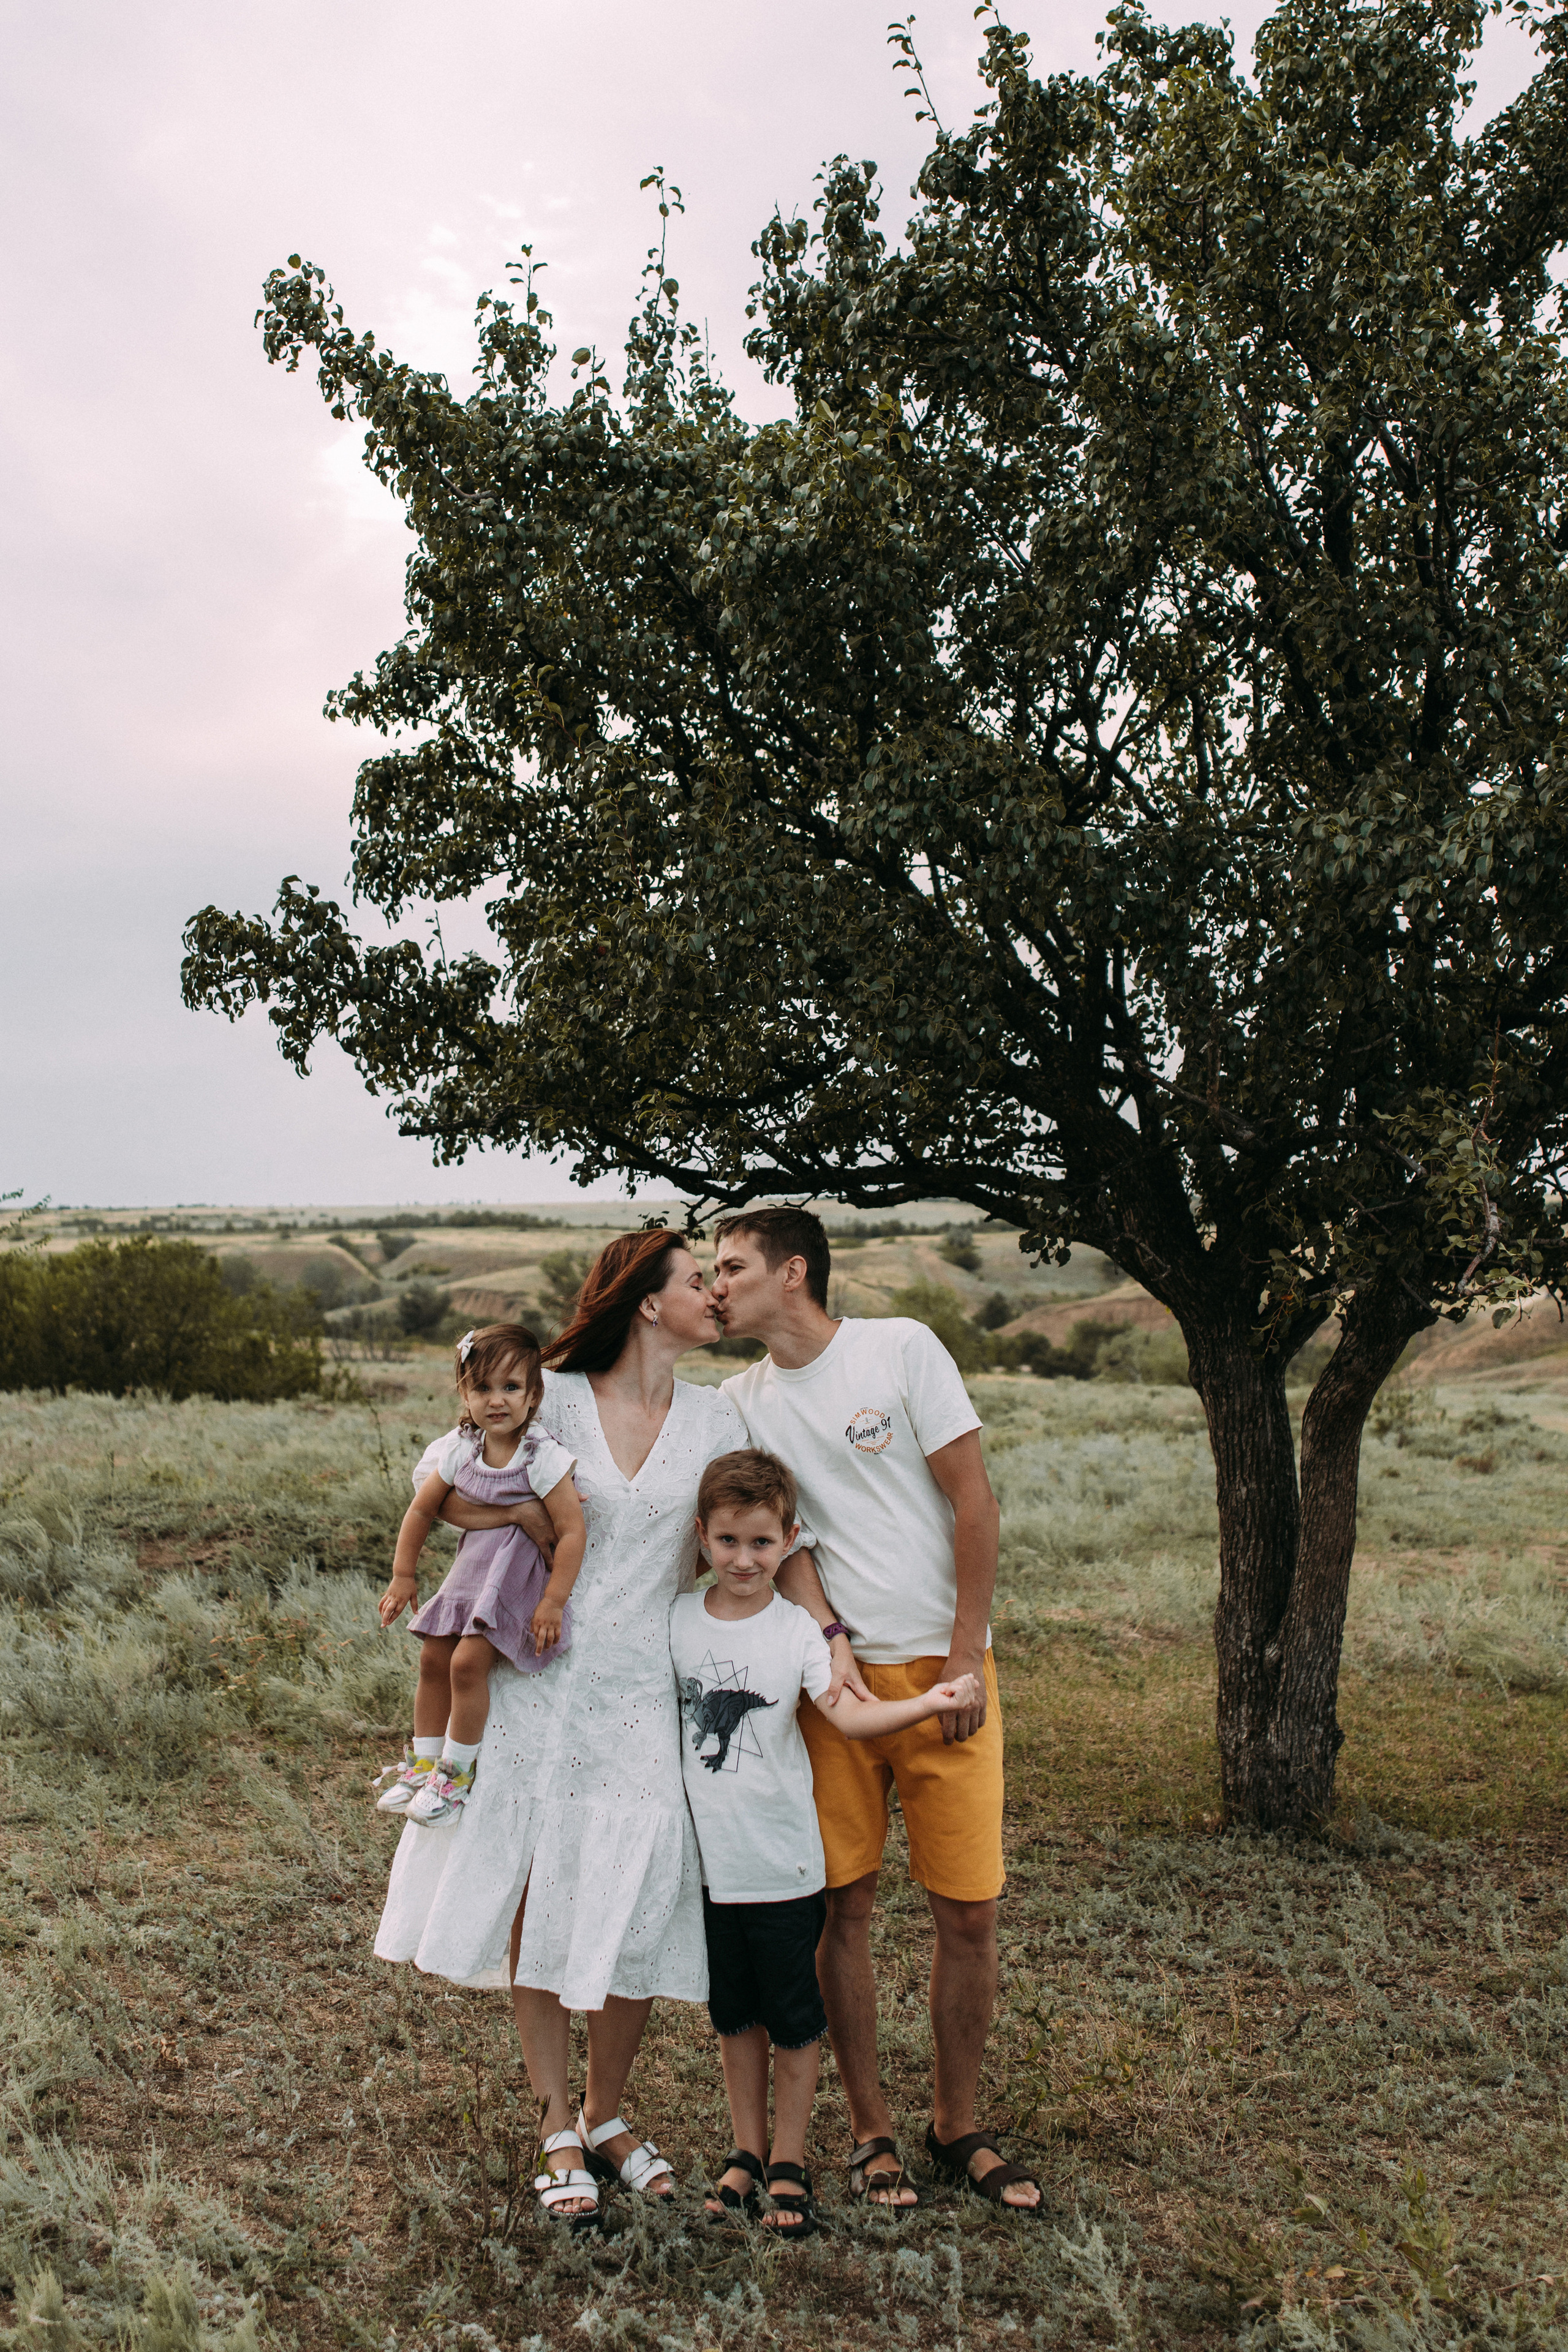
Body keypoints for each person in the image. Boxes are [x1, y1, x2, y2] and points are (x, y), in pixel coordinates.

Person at [372, 1230, 845, 2229]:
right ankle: (556, 2124)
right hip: (538, 1682)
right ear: (644, 1301)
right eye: (694, 1282)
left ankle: (606, 2113)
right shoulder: (551, 1397)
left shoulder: (717, 1414)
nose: (714, 1295)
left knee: (632, 1895)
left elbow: (771, 1529)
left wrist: (828, 1637)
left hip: (645, 1696)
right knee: (540, 1888)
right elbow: (446, 1486)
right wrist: (521, 1531)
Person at [712, 1206, 1042, 2214]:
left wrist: (964, 1657)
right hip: (836, 1693)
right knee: (842, 1909)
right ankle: (870, 2132)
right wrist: (829, 1644)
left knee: (969, 1913)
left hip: (947, 1674)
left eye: (731, 1267)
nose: (716, 1285)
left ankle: (957, 2125)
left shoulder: (902, 1350)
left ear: (794, 1272)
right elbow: (790, 1539)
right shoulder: (741, 1400)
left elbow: (973, 1500)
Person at [673, 1446, 981, 2240]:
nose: (745, 1560)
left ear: (791, 1540)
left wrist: (925, 1702)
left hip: (783, 1866)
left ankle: (789, 2161)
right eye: (730, 1542)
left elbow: (848, 1716)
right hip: (713, 1870)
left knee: (794, 2021)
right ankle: (743, 2151)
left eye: (763, 1544)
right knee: (735, 2018)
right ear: (703, 1536)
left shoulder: (800, 1634)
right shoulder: (675, 1621)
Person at [373, 1322, 586, 1826]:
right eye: (482, 1388)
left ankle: (455, 1777)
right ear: (464, 1394)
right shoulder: (462, 1449)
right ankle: (422, 1764)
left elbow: (573, 1533)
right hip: (470, 1572)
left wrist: (553, 1601)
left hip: (512, 1580)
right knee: (432, 1658)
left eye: (511, 1388)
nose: (497, 1401)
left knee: (467, 1665)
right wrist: (404, 1575)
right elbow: (422, 1510)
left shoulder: (542, 1456)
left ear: (533, 1396)